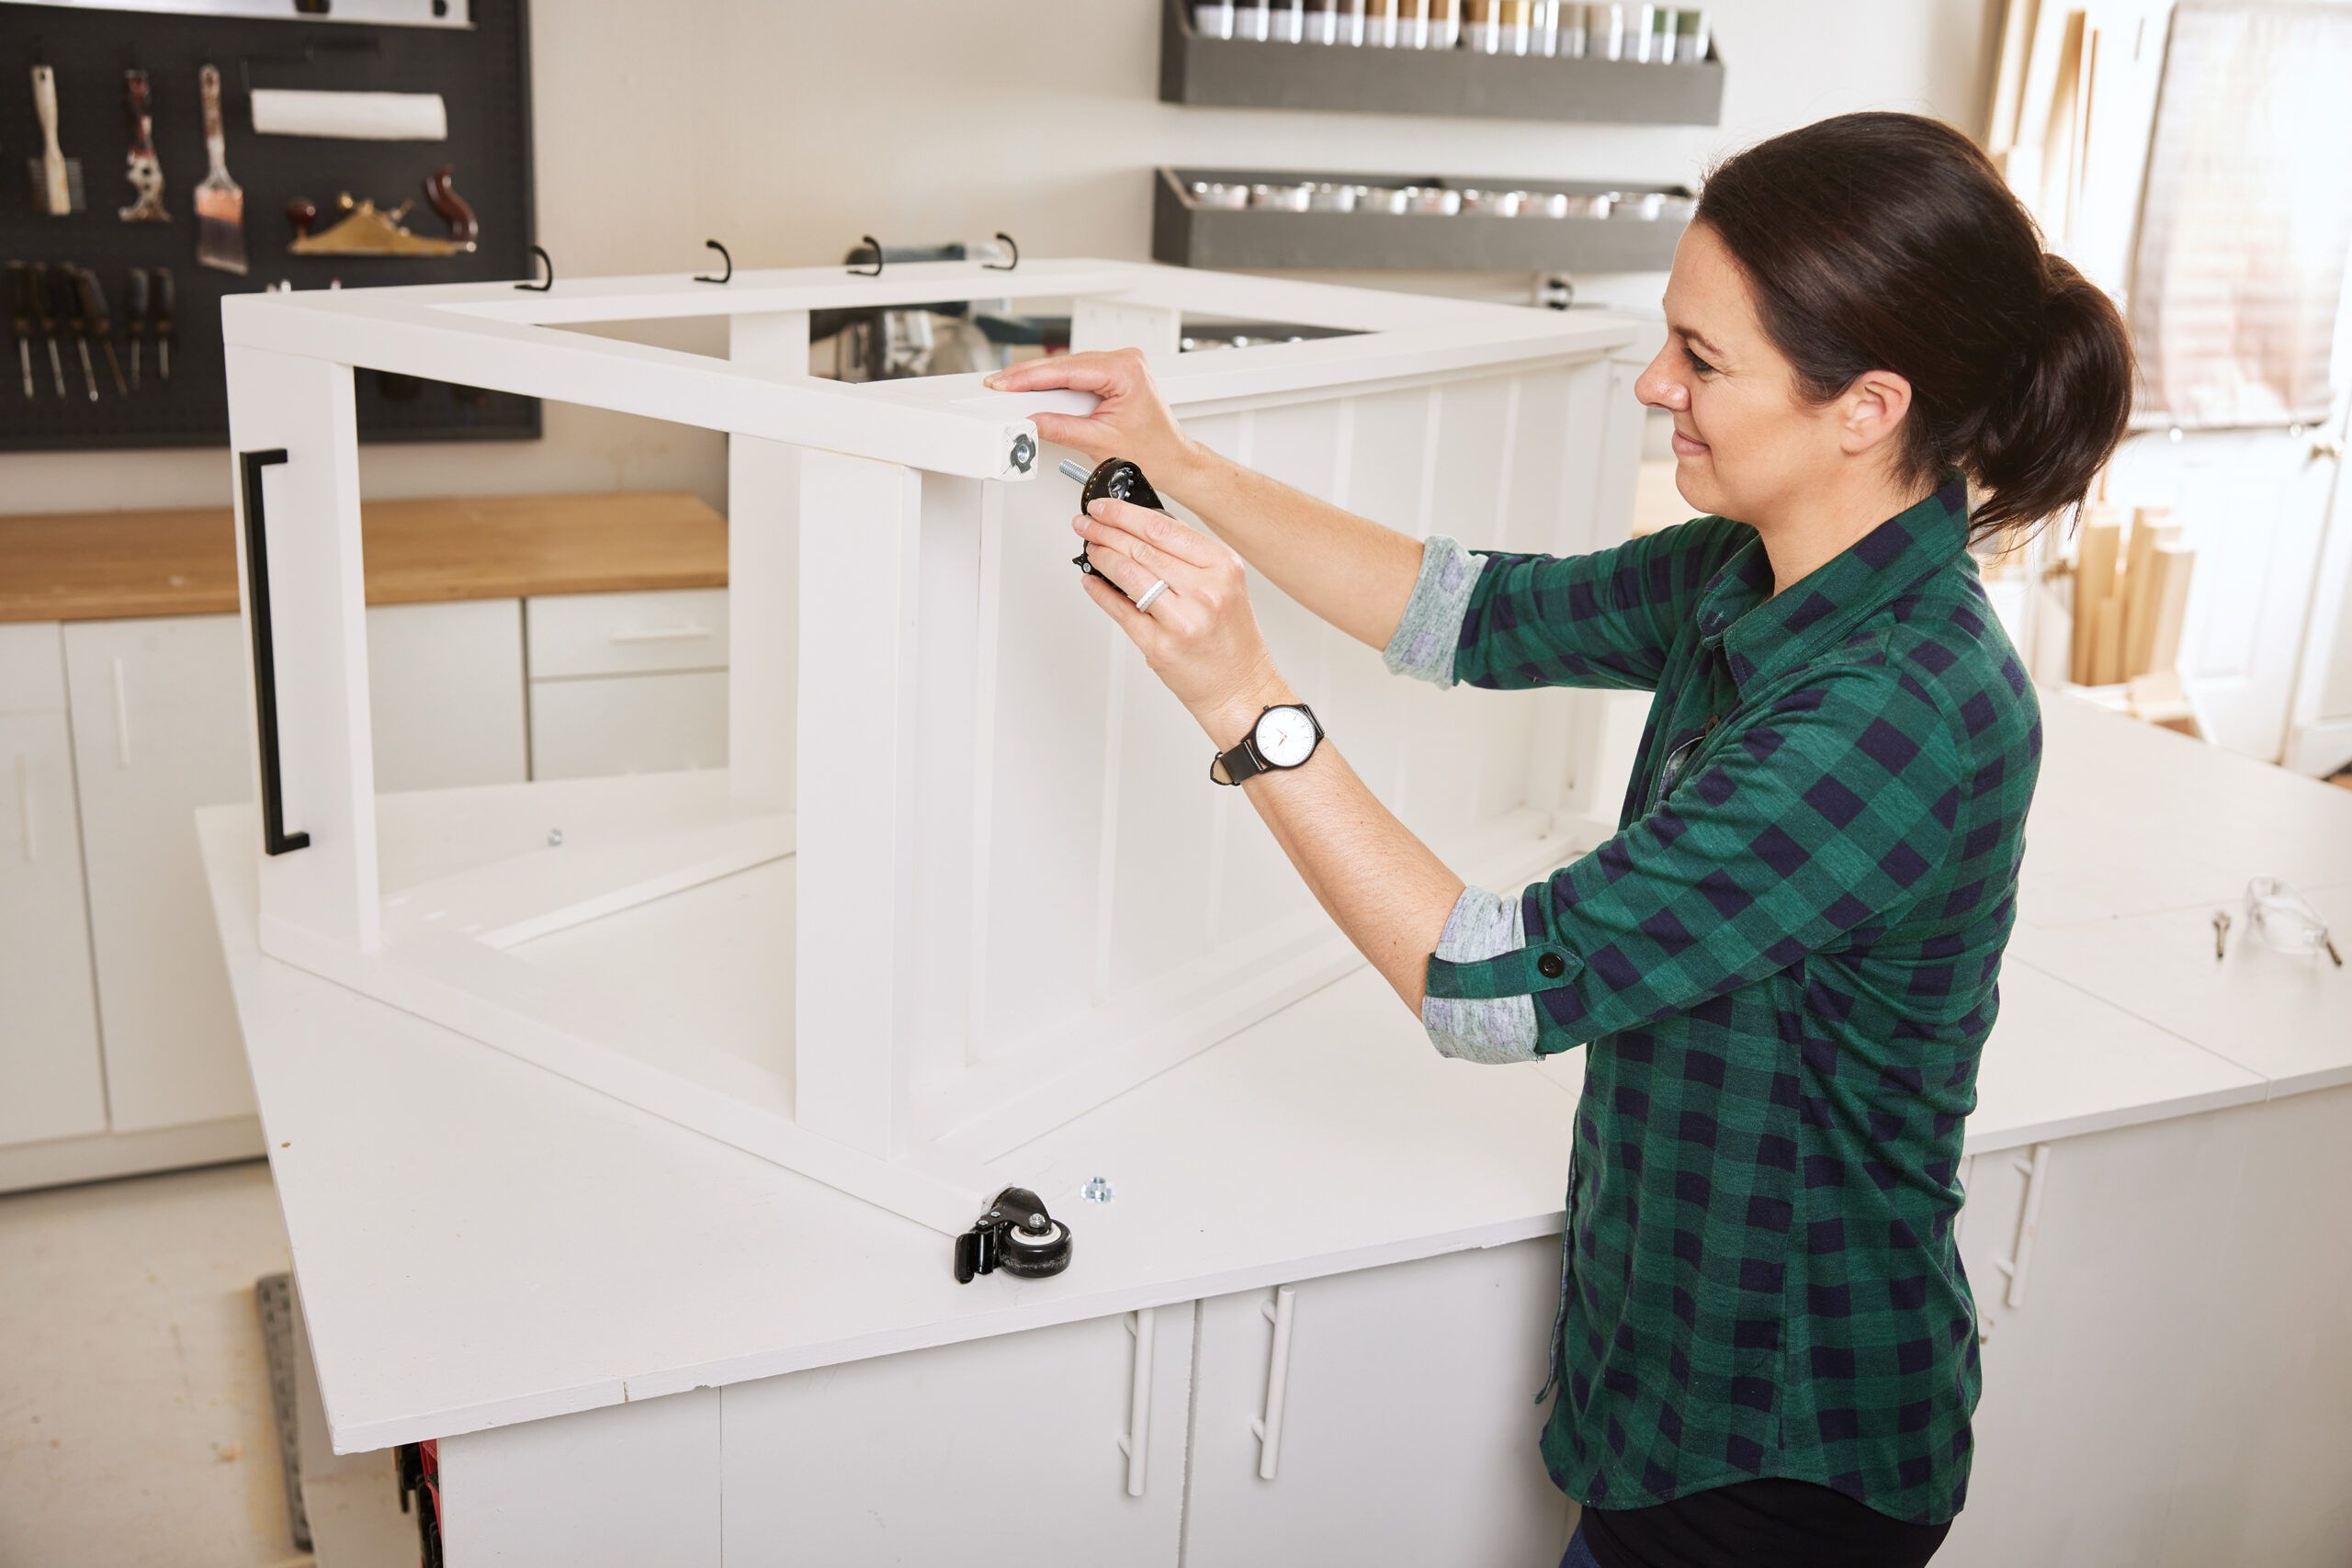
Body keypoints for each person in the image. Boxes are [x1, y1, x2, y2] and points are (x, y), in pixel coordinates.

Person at [985, 110, 2132, 1568]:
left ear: (1868, 406)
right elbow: (1467, 612)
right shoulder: (1758, 570)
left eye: (1704, 361)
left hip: (1781, 1456)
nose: (1658, 385)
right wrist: (1181, 462)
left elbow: (1490, 983)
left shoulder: (1901, 710)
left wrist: (1244, 698)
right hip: (1669, 1394)